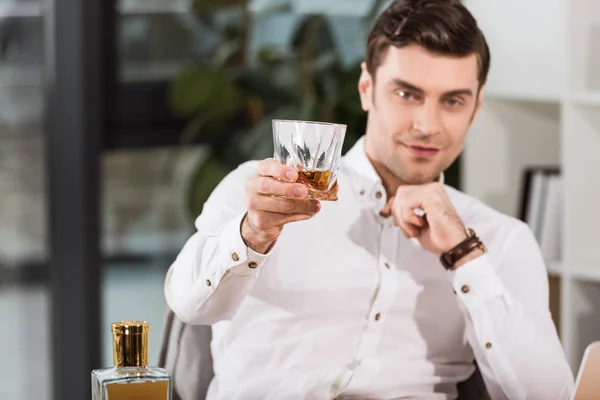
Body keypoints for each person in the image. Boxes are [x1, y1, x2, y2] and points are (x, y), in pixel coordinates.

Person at [164, 0, 574, 398]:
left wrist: (464, 255)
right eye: (407, 94)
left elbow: (551, 395)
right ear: (366, 89)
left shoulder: (499, 240)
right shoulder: (261, 192)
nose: (427, 125)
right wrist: (253, 232)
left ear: (476, 107)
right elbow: (189, 306)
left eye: (452, 100)